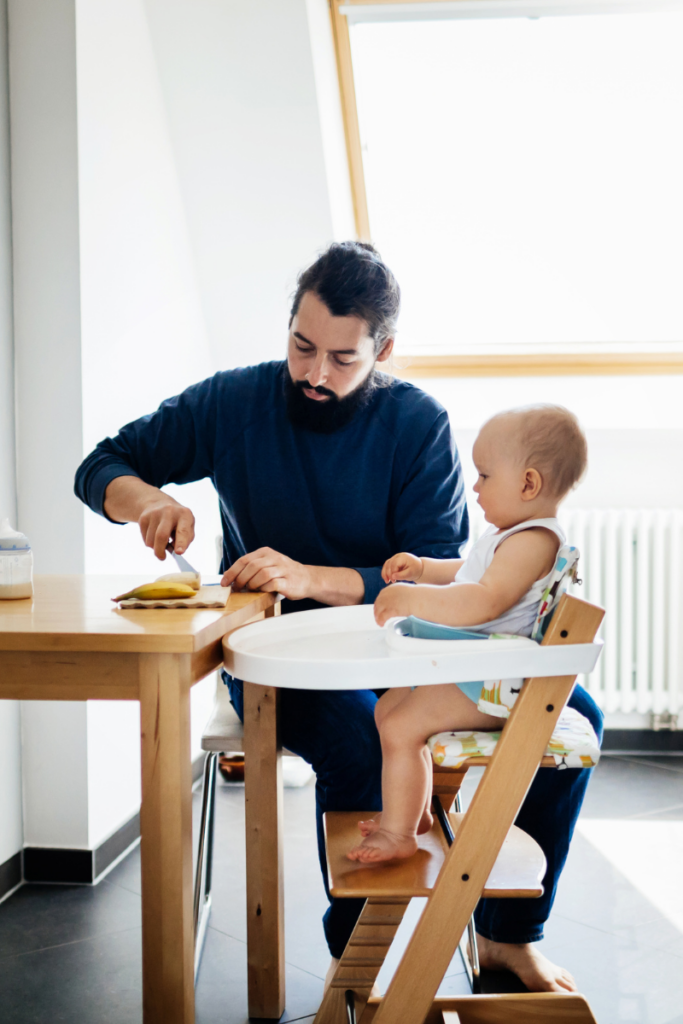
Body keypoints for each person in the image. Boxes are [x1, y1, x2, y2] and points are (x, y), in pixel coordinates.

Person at [74, 242, 601, 994]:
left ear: (383, 350)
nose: (315, 374)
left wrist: (317, 576)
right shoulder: (233, 402)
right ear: (288, 328)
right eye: (301, 346)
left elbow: (437, 565)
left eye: (342, 358)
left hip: (408, 650)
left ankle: (505, 939)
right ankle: (360, 966)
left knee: (570, 709)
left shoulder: (416, 422)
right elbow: (101, 464)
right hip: (276, 655)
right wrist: (147, 501)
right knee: (360, 738)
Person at [348, 405, 588, 866]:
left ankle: (398, 832)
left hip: (497, 687)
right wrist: (422, 569)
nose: (474, 487)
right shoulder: (512, 537)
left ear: (528, 484)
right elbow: (468, 573)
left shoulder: (532, 541)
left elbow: (483, 600)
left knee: (402, 726)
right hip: (482, 672)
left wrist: (411, 598)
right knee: (389, 709)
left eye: (483, 475)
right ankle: (412, 813)